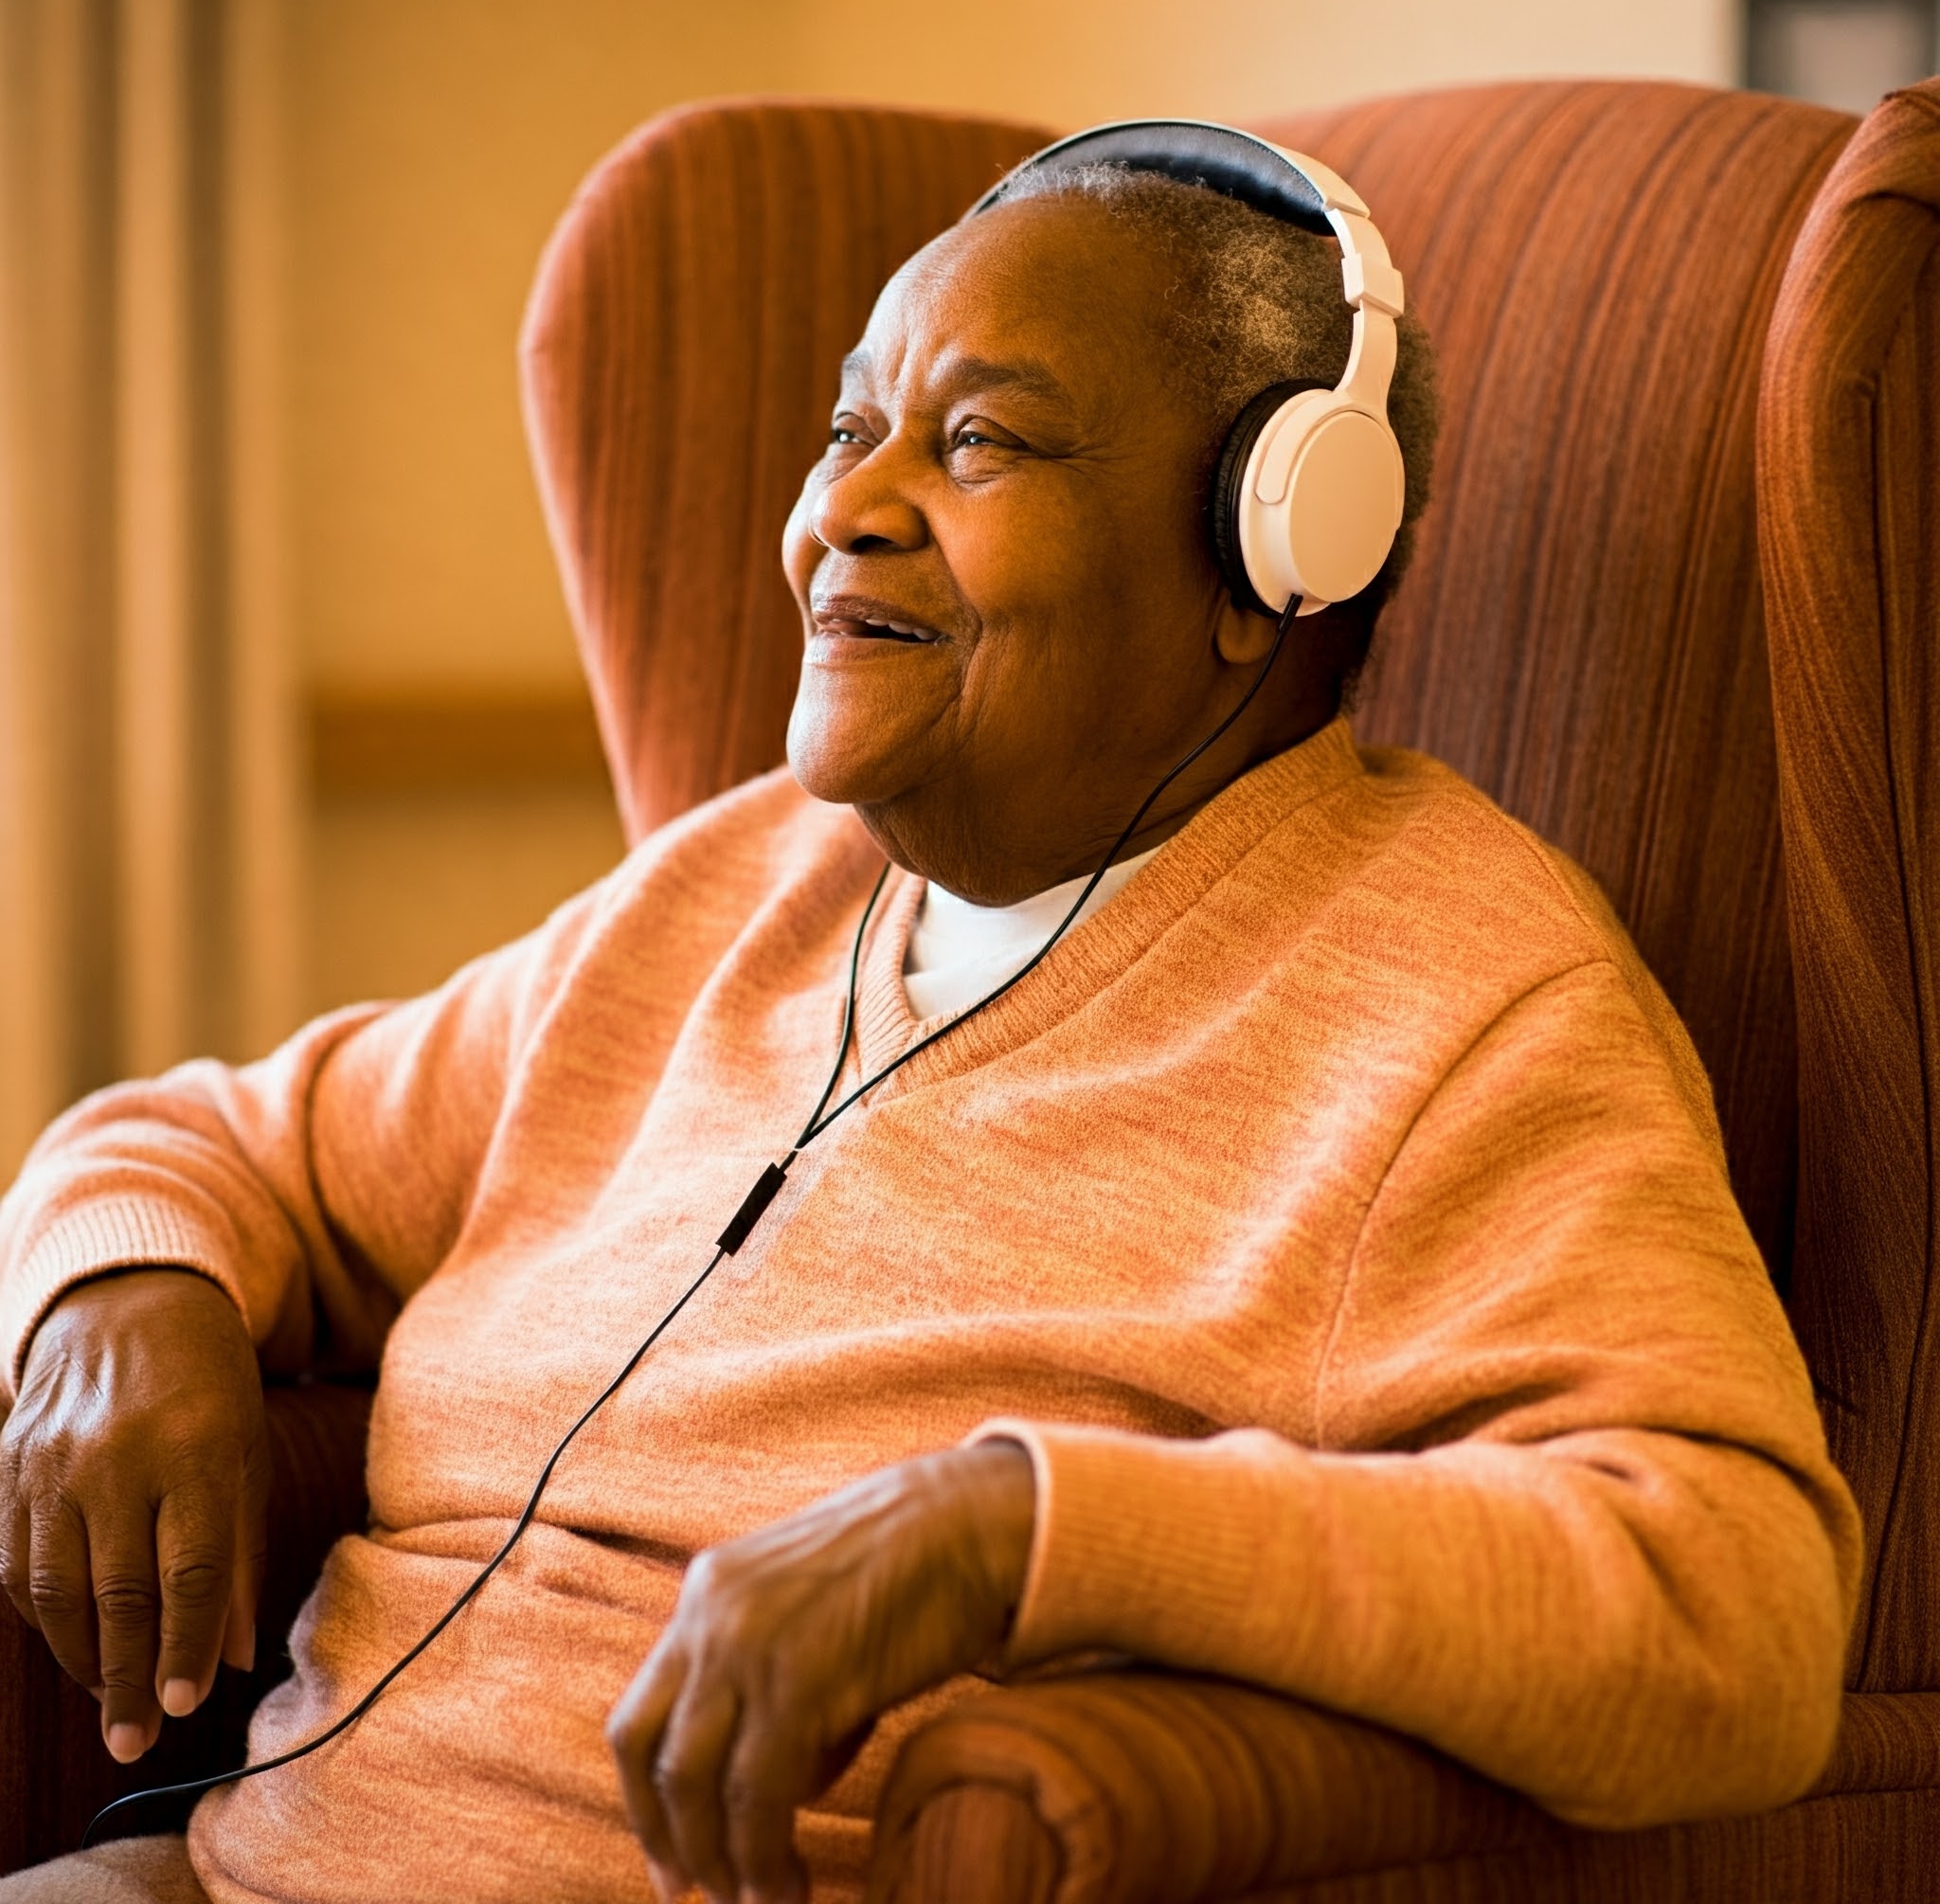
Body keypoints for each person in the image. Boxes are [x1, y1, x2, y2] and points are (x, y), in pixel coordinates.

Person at [0, 136, 1858, 1904]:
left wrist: (1016, 1526)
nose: (839, 514)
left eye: (975, 441)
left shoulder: (1460, 996)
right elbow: (220, 1141)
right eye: (845, 429)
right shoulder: (730, 890)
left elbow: (1735, 1609)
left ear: (1268, 548)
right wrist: (120, 1297)